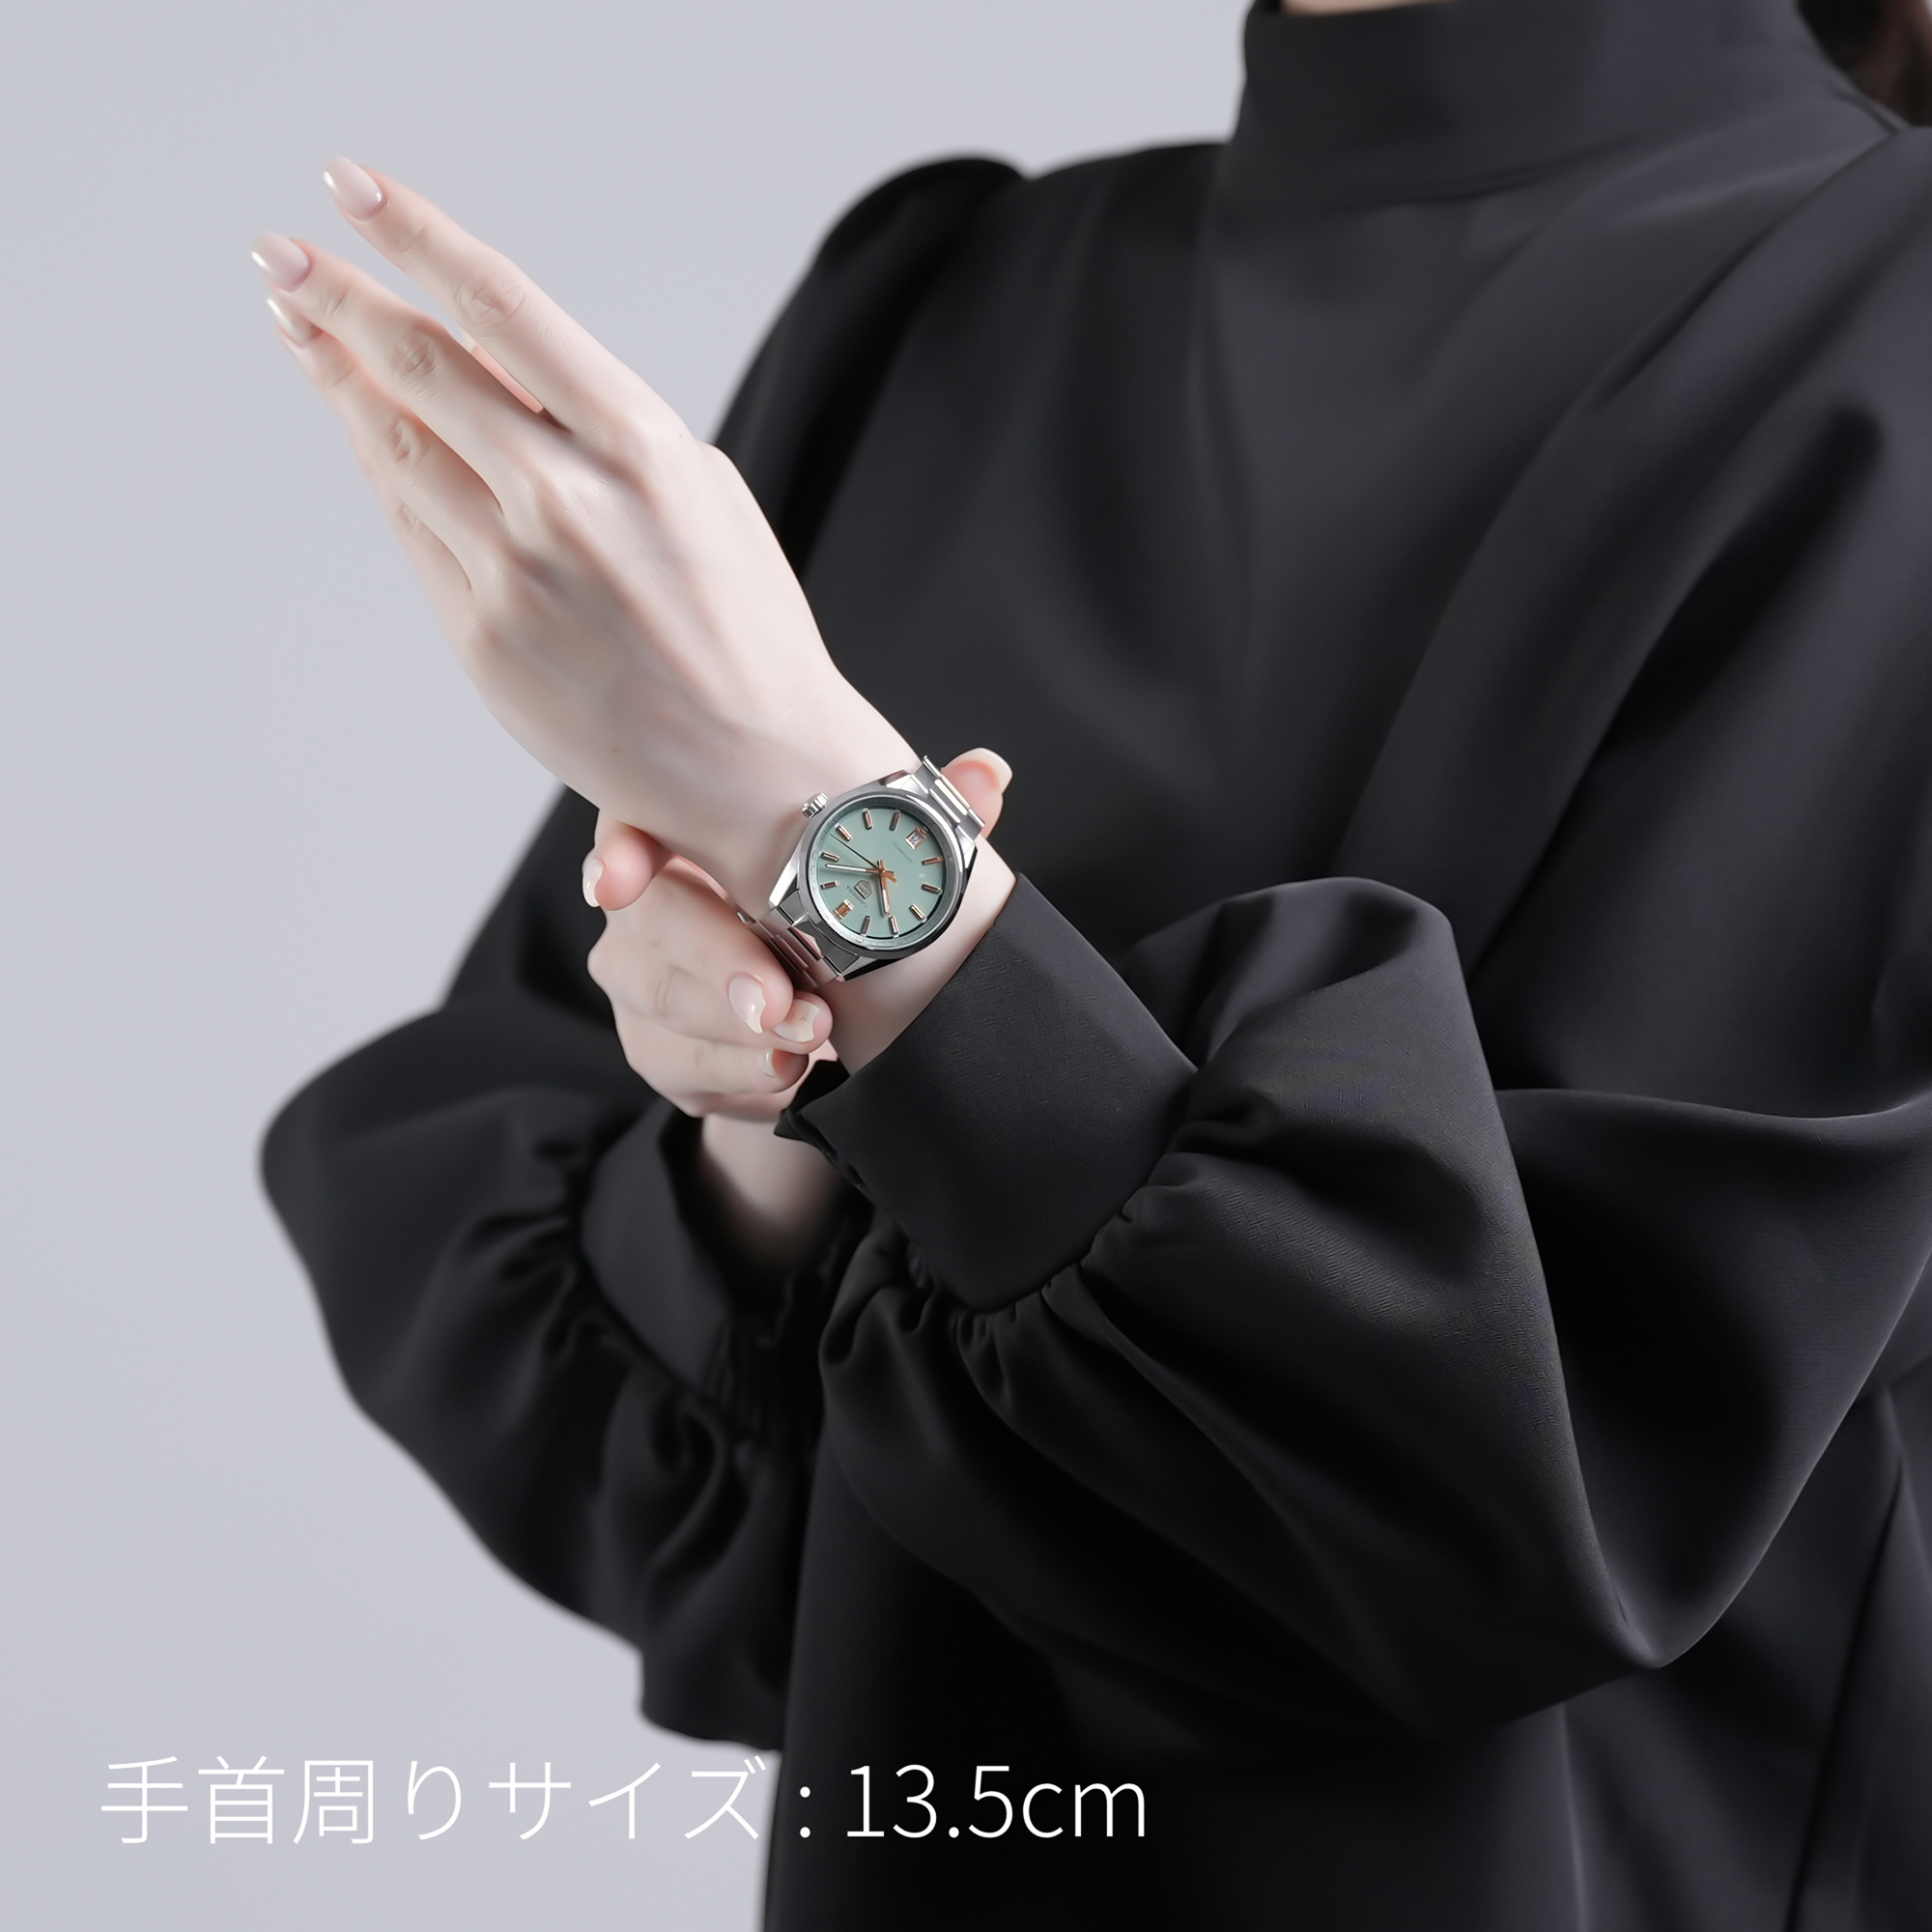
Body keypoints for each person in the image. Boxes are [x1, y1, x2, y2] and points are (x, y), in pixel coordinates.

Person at [258, 1, 1932, 1924]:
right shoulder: (948, 306)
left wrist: (839, 842)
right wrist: (768, 1085)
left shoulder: (1886, 325)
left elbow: (1507, 1492)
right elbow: (675, 1491)